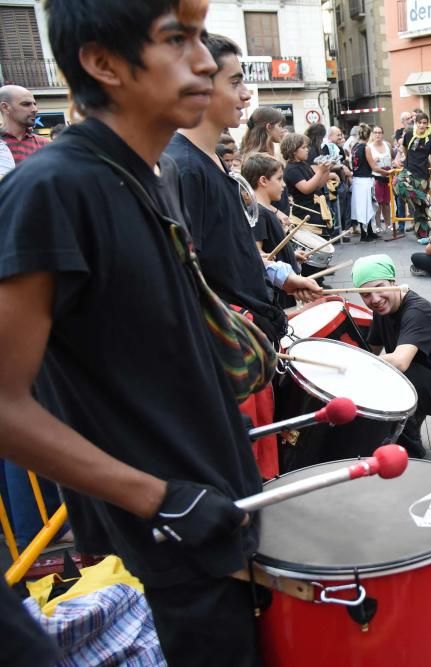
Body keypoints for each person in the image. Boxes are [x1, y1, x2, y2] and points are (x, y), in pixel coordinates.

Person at [0, 2, 271, 663]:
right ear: (101, 62)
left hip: (214, 523)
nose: (205, 60)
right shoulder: (53, 191)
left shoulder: (149, 176)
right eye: (176, 41)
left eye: (201, 40)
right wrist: (161, 499)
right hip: (163, 550)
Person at [168, 37, 321, 348]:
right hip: (231, 343)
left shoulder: (210, 161)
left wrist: (278, 276)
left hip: (253, 329)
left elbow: (227, 251)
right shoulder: (183, 168)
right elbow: (187, 279)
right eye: (235, 82)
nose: (246, 94)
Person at [353, 254, 431, 458]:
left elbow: (399, 361)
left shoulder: (418, 311)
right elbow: (373, 348)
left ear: (393, 281)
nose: (374, 299)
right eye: (365, 294)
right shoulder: (382, 309)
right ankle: (403, 424)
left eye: (379, 287)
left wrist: (351, 361)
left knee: (390, 375)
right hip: (422, 373)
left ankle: (412, 453)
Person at [244, 152, 306, 309]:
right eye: (279, 178)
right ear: (263, 180)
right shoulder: (259, 214)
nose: (283, 184)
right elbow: (260, 256)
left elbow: (271, 249)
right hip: (278, 297)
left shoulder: (264, 211)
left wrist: (290, 255)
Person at [396, 111, 431, 240]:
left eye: (424, 123)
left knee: (419, 209)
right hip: (408, 171)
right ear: (416, 123)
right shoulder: (409, 135)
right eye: (419, 122)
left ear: (427, 124)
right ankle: (424, 198)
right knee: (397, 184)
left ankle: (422, 234)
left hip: (422, 175)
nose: (422, 125)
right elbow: (403, 148)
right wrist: (401, 158)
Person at [0, 85, 51, 164]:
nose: (35, 109)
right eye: (26, 104)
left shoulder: (44, 144)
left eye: (34, 104)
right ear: (5, 107)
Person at [349, 123, 380, 242]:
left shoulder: (354, 146)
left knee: (361, 207)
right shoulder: (366, 148)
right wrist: (386, 172)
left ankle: (368, 231)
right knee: (367, 206)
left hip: (357, 180)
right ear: (369, 135)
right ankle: (365, 233)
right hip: (365, 180)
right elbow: (373, 166)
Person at [368, 125, 393, 232]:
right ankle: (378, 226)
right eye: (375, 133)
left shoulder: (387, 145)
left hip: (388, 176)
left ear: (382, 134)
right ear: (372, 135)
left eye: (379, 132)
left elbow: (392, 157)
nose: (378, 135)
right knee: (378, 203)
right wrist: (373, 160)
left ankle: (388, 224)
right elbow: (368, 163)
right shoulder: (369, 147)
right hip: (376, 176)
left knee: (387, 202)